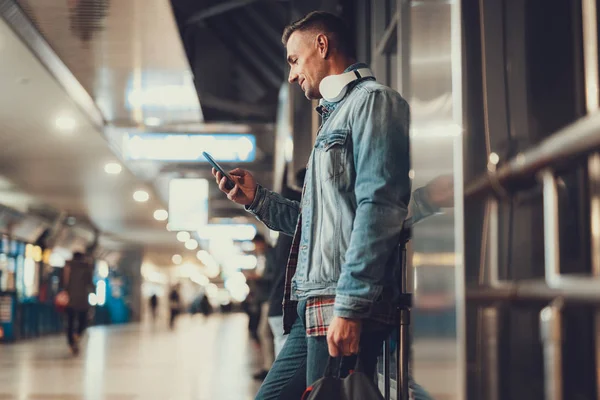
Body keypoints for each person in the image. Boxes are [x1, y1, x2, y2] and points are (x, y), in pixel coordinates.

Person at [213, 11, 432, 399]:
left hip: (340, 301)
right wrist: (258, 200)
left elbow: (379, 207)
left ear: (322, 45)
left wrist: (349, 307)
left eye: (294, 61)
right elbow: (315, 223)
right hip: (312, 306)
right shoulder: (332, 121)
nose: (292, 75)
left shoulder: (373, 103)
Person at [252, 233, 277, 381]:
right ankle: (269, 366)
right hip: (265, 299)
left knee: (265, 332)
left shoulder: (270, 255)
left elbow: (274, 275)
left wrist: (259, 278)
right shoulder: (263, 257)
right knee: (265, 332)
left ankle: (270, 367)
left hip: (270, 298)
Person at [63, 251, 94, 355]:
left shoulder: (68, 267)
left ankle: (71, 344)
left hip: (69, 300)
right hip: (82, 300)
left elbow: (63, 283)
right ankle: (77, 335)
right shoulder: (87, 267)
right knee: (83, 321)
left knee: (70, 323)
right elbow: (90, 284)